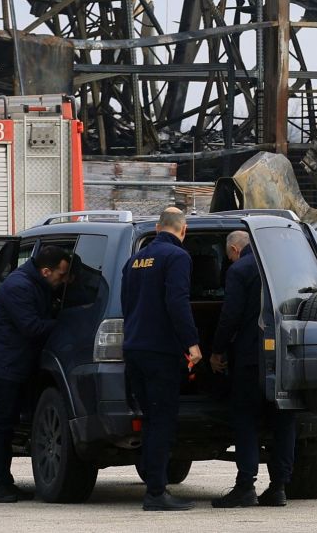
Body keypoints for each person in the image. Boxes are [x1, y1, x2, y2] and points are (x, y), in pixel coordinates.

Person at [0, 244, 71, 503]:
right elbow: (31, 327)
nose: (62, 281)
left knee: (7, 425)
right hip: (4, 367)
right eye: (60, 275)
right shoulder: (18, 286)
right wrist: (65, 323)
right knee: (0, 425)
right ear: (45, 271)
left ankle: (3, 480)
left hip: (15, 364)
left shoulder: (35, 283)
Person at [122, 207, 202, 512]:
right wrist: (192, 344)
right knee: (162, 422)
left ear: (157, 228)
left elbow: (126, 303)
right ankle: (156, 492)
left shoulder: (134, 261)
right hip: (160, 352)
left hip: (135, 349)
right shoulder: (178, 258)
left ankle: (154, 485)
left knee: (150, 418)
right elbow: (177, 301)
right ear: (183, 231)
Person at [209, 231, 296, 508]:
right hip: (285, 356)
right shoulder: (282, 267)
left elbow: (230, 315)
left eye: (229, 255)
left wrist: (217, 350)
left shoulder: (240, 269)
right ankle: (279, 487)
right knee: (283, 419)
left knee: (245, 418)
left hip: (250, 358)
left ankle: (245, 485)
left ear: (235, 249)